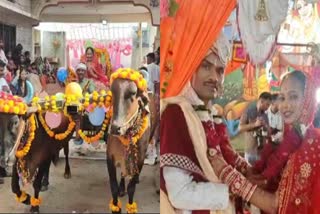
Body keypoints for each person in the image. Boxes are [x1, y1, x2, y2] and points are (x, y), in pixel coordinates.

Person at [161, 31, 252, 213]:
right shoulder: (176, 113)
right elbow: (179, 194)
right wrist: (233, 192)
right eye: (205, 66)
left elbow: (227, 157)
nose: (214, 78)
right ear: (190, 67)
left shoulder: (210, 113)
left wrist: (250, 174)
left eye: (219, 70)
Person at [208, 69, 320, 214]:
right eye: (282, 98)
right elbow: (269, 179)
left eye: (293, 97)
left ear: (308, 99)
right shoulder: (292, 138)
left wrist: (229, 176)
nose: (285, 105)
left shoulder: (311, 146)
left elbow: (277, 205)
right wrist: (240, 167)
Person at [239, 92, 272, 165]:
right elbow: (240, 128)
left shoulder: (265, 115)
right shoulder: (248, 111)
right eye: (267, 104)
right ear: (261, 101)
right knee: (249, 173)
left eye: (269, 105)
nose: (268, 107)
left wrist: (265, 126)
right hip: (250, 151)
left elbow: (269, 133)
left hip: (261, 152)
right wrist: (255, 124)